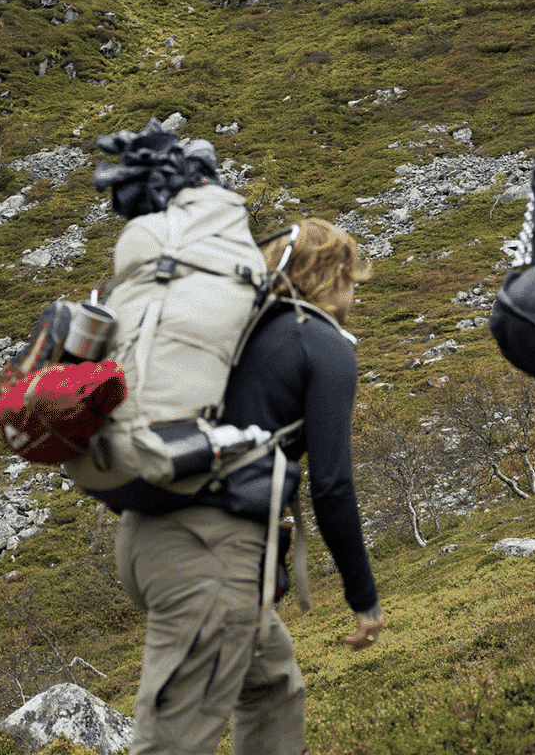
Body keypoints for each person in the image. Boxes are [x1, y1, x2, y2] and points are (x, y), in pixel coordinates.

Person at [98, 216, 384, 755]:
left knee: (273, 688)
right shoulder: (323, 345)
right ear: (336, 275)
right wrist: (363, 597)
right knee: (174, 743)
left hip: (144, 538)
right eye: (351, 278)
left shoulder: (231, 331)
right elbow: (332, 485)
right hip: (209, 556)